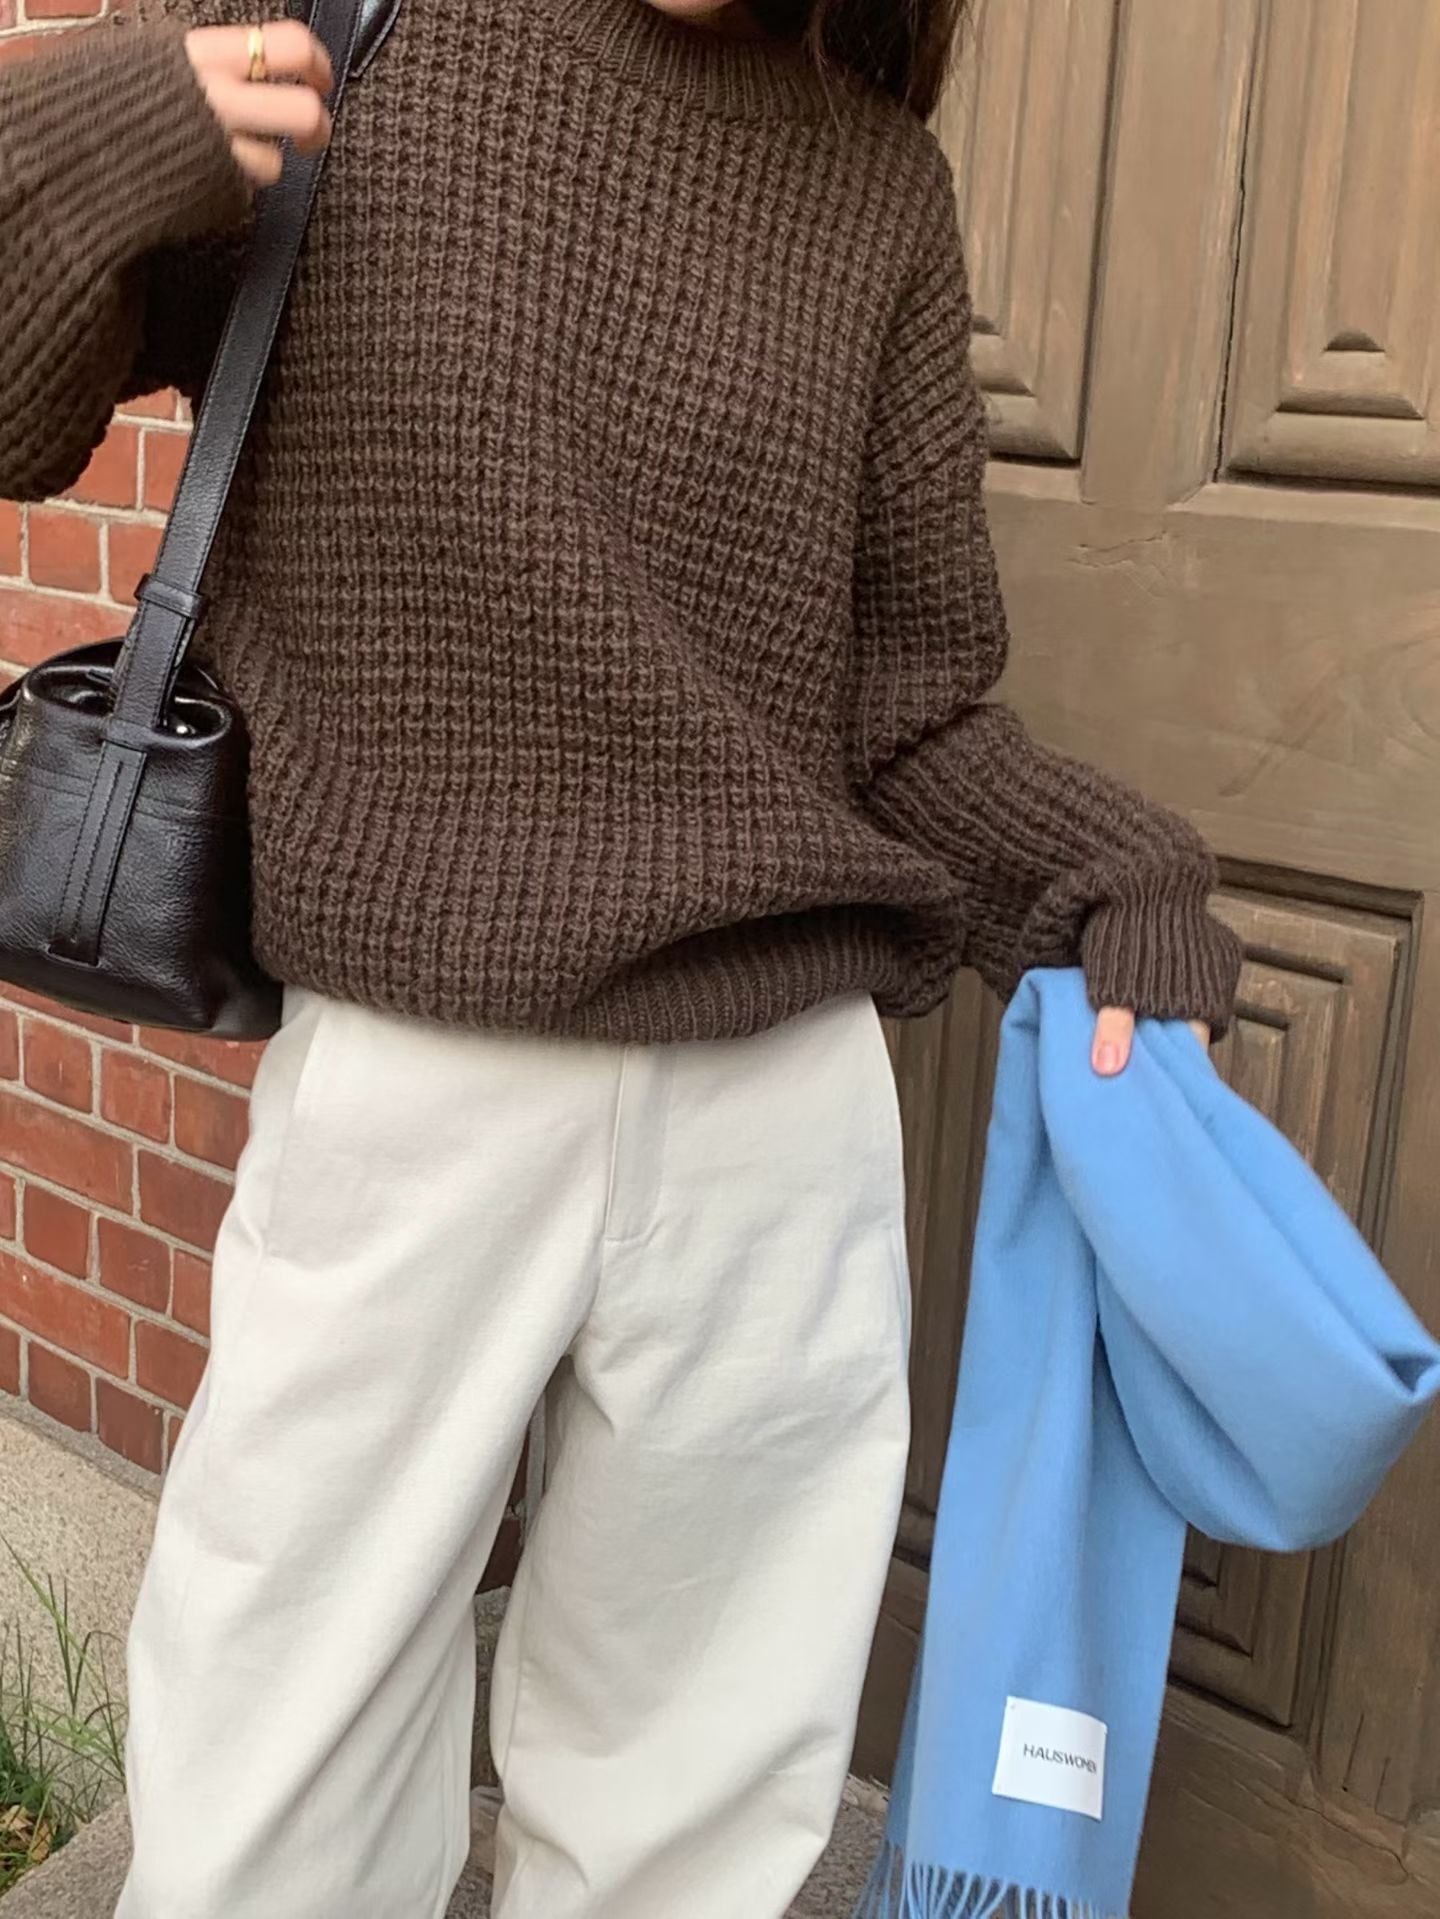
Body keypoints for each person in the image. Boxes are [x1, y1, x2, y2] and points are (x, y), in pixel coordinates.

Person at [0, 2, 1241, 1913]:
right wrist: (93, 132)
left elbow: (908, 712)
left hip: (780, 1106)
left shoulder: (874, 187)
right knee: (272, 1771)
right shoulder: (349, 37)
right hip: (418, 1087)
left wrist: (1115, 873)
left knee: (700, 1796)